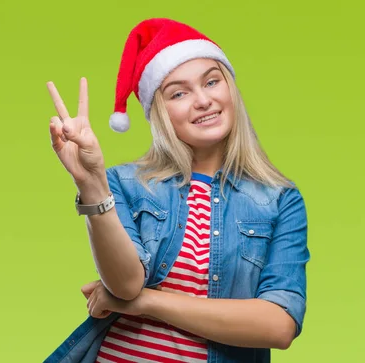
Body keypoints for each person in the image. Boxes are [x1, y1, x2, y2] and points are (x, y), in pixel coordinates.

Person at [44, 18, 309, 363]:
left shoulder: (278, 201)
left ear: (229, 89)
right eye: (179, 93)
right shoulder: (126, 184)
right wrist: (90, 183)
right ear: (160, 113)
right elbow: (124, 284)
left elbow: (278, 326)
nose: (203, 101)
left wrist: (145, 302)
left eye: (212, 82)